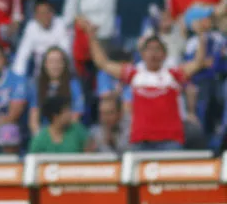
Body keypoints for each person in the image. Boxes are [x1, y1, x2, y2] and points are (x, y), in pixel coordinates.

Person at [81, 17, 208, 151]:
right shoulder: (134, 74)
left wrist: (201, 35)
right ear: (142, 54)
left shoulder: (173, 74)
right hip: (140, 141)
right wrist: (91, 36)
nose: (153, 53)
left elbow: (198, 63)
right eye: (149, 49)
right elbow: (103, 63)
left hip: (170, 140)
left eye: (157, 49)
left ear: (164, 55)